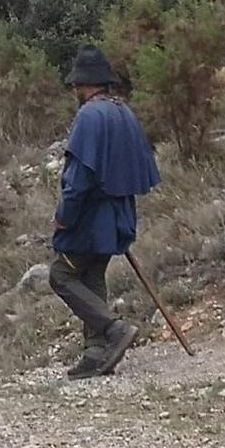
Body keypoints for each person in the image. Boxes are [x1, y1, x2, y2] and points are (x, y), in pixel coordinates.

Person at [48, 46, 160, 381]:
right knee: (92, 274)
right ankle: (96, 354)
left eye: (76, 85)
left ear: (85, 85)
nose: (74, 91)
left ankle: (114, 330)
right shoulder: (123, 112)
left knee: (61, 275)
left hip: (90, 219)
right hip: (119, 216)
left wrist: (64, 216)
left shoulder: (89, 116)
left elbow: (79, 178)